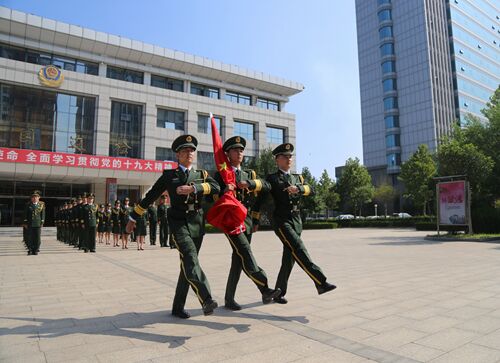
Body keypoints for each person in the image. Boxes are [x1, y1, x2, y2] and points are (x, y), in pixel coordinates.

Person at [127, 134, 220, 319]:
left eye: (192, 150)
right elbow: (151, 195)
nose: (189, 153)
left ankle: (178, 307)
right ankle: (206, 298)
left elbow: (216, 188)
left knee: (187, 264)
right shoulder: (169, 175)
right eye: (185, 150)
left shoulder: (201, 175)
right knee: (191, 259)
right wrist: (133, 217)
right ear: (177, 155)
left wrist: (194, 188)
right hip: (178, 223)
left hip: (197, 224)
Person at [214, 136, 281, 310]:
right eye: (235, 150)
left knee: (238, 260)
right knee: (245, 252)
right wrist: (224, 190)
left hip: (247, 221)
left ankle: (229, 299)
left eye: (241, 150)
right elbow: (212, 197)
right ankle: (265, 287)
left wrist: (250, 184)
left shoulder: (249, 174)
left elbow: (266, 186)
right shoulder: (221, 173)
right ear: (227, 154)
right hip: (231, 221)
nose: (239, 153)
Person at [264, 143, 336, 304]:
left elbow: (312, 189)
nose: (289, 159)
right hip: (281, 221)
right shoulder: (272, 178)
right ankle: (320, 282)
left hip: (297, 220)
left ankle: (278, 292)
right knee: (298, 248)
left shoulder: (298, 178)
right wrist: (254, 218)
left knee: (289, 257)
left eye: (290, 156)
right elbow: (263, 194)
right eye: (285, 156)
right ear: (277, 160)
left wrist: (299, 189)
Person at [23, 190, 45, 255]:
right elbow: (25, 214)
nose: (35, 198)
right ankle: (30, 249)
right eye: (33, 197)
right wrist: (25, 223)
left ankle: (35, 249)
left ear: (39, 198)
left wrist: (42, 222)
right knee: (29, 237)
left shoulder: (41, 205)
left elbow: (43, 214)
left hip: (37, 224)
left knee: (37, 238)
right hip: (29, 224)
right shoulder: (28, 205)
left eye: (36, 197)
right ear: (31, 198)